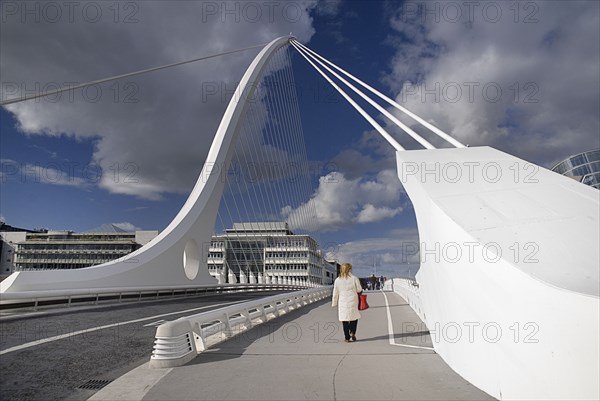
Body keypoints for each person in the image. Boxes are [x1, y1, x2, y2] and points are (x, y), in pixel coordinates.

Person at [332, 262, 363, 342]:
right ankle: (352, 332)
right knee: (354, 317)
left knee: (344, 319)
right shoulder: (354, 278)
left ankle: (347, 337)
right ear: (349, 269)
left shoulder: (337, 280)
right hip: (353, 300)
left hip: (342, 301)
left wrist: (334, 302)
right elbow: (359, 289)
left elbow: (335, 292)